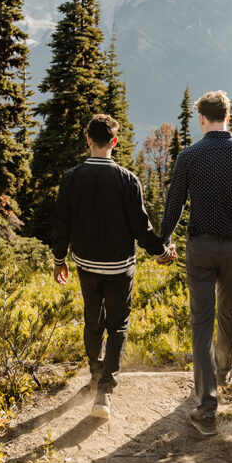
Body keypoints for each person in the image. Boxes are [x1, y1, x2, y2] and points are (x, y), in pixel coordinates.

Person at [51, 113, 175, 420]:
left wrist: (59, 259)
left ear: (89, 140)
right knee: (118, 325)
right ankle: (104, 390)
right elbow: (141, 229)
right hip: (120, 267)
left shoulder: (71, 178)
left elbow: (61, 224)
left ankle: (96, 373)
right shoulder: (127, 180)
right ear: (114, 142)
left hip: (86, 266)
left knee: (93, 320)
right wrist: (162, 250)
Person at [159, 90, 232, 436]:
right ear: (228, 116)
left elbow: (173, 206)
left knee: (202, 322)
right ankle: (222, 371)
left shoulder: (190, 156)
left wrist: (164, 242)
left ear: (202, 119)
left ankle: (206, 408)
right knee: (228, 313)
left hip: (200, 249)